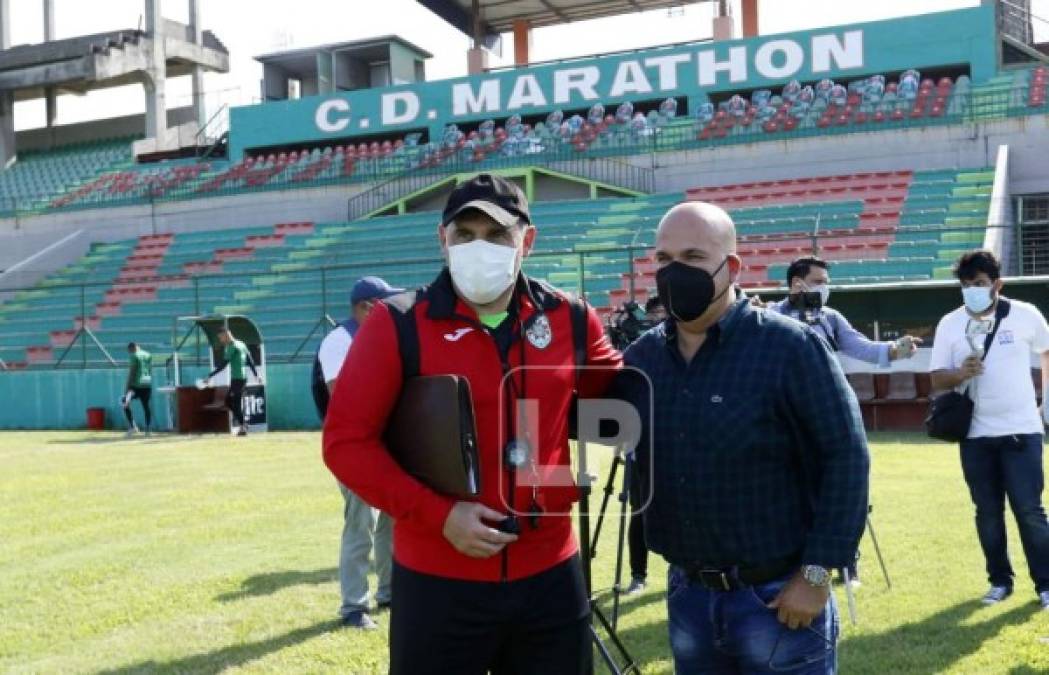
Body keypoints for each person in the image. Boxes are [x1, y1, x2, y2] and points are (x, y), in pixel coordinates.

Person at [323, 173, 621, 675]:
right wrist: (438, 515)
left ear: (526, 240)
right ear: (443, 239)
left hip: (550, 575)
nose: (478, 246)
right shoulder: (395, 323)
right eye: (464, 234)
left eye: (497, 233)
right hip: (437, 580)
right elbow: (346, 444)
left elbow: (620, 395)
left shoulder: (572, 318)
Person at [615, 202, 870, 674]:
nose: (675, 272)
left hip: (778, 598)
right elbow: (585, 422)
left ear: (731, 267)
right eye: (664, 260)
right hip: (689, 597)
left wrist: (816, 575)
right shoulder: (642, 358)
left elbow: (846, 456)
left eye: (692, 257)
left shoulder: (790, 347)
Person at [771, 256, 920, 587]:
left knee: (841, 486)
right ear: (797, 283)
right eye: (818, 280)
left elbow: (862, 348)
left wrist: (896, 350)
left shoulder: (830, 318)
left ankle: (847, 560)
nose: (825, 287)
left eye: (827, 281)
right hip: (784, 417)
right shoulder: (770, 316)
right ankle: (799, 561)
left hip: (826, 411)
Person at [929, 249, 1049, 609]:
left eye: (979, 284)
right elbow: (937, 378)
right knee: (987, 512)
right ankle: (999, 582)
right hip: (976, 435)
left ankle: (1045, 585)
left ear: (997, 283)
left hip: (1022, 430)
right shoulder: (950, 323)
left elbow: (1048, 351)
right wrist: (960, 373)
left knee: (1029, 510)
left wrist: (1046, 402)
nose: (972, 291)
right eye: (966, 285)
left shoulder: (1025, 314)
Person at [314, 276, 403, 630]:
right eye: (385, 302)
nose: (393, 309)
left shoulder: (379, 337)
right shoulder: (339, 340)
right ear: (367, 306)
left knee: (392, 518)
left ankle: (391, 592)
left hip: (386, 442)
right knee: (360, 522)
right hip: (354, 447)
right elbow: (344, 398)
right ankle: (354, 606)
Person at [202, 328, 259, 436]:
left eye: (221, 337)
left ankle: (243, 427)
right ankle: (243, 425)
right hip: (238, 379)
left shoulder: (232, 346)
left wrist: (210, 376)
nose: (220, 340)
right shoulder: (241, 343)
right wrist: (256, 375)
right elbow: (250, 360)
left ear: (226, 335)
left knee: (234, 403)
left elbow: (223, 365)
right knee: (229, 401)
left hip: (239, 379)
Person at [123, 342, 153, 437]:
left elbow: (132, 371)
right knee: (146, 406)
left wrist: (127, 386)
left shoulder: (134, 356)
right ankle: (148, 429)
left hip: (135, 385)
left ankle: (133, 427)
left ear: (131, 349)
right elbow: (150, 369)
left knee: (125, 402)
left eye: (129, 351)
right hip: (146, 383)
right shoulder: (148, 355)